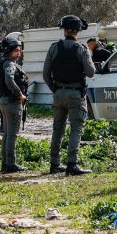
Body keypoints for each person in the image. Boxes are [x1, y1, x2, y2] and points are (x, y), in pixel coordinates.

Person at [43, 15, 96, 176]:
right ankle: (72, 164)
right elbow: (91, 72)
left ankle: (54, 164)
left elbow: (46, 74)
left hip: (58, 93)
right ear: (78, 31)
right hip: (75, 94)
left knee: (57, 129)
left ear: (64, 30)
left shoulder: (53, 48)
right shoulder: (81, 49)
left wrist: (55, 88)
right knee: (76, 129)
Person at [0, 36, 29, 173]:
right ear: (8, 51)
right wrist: (19, 94)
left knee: (7, 134)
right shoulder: (9, 64)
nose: (19, 53)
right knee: (12, 135)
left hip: (3, 101)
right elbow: (9, 81)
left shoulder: (3, 63)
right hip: (11, 102)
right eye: (16, 50)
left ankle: (5, 163)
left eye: (20, 50)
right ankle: (11, 163)